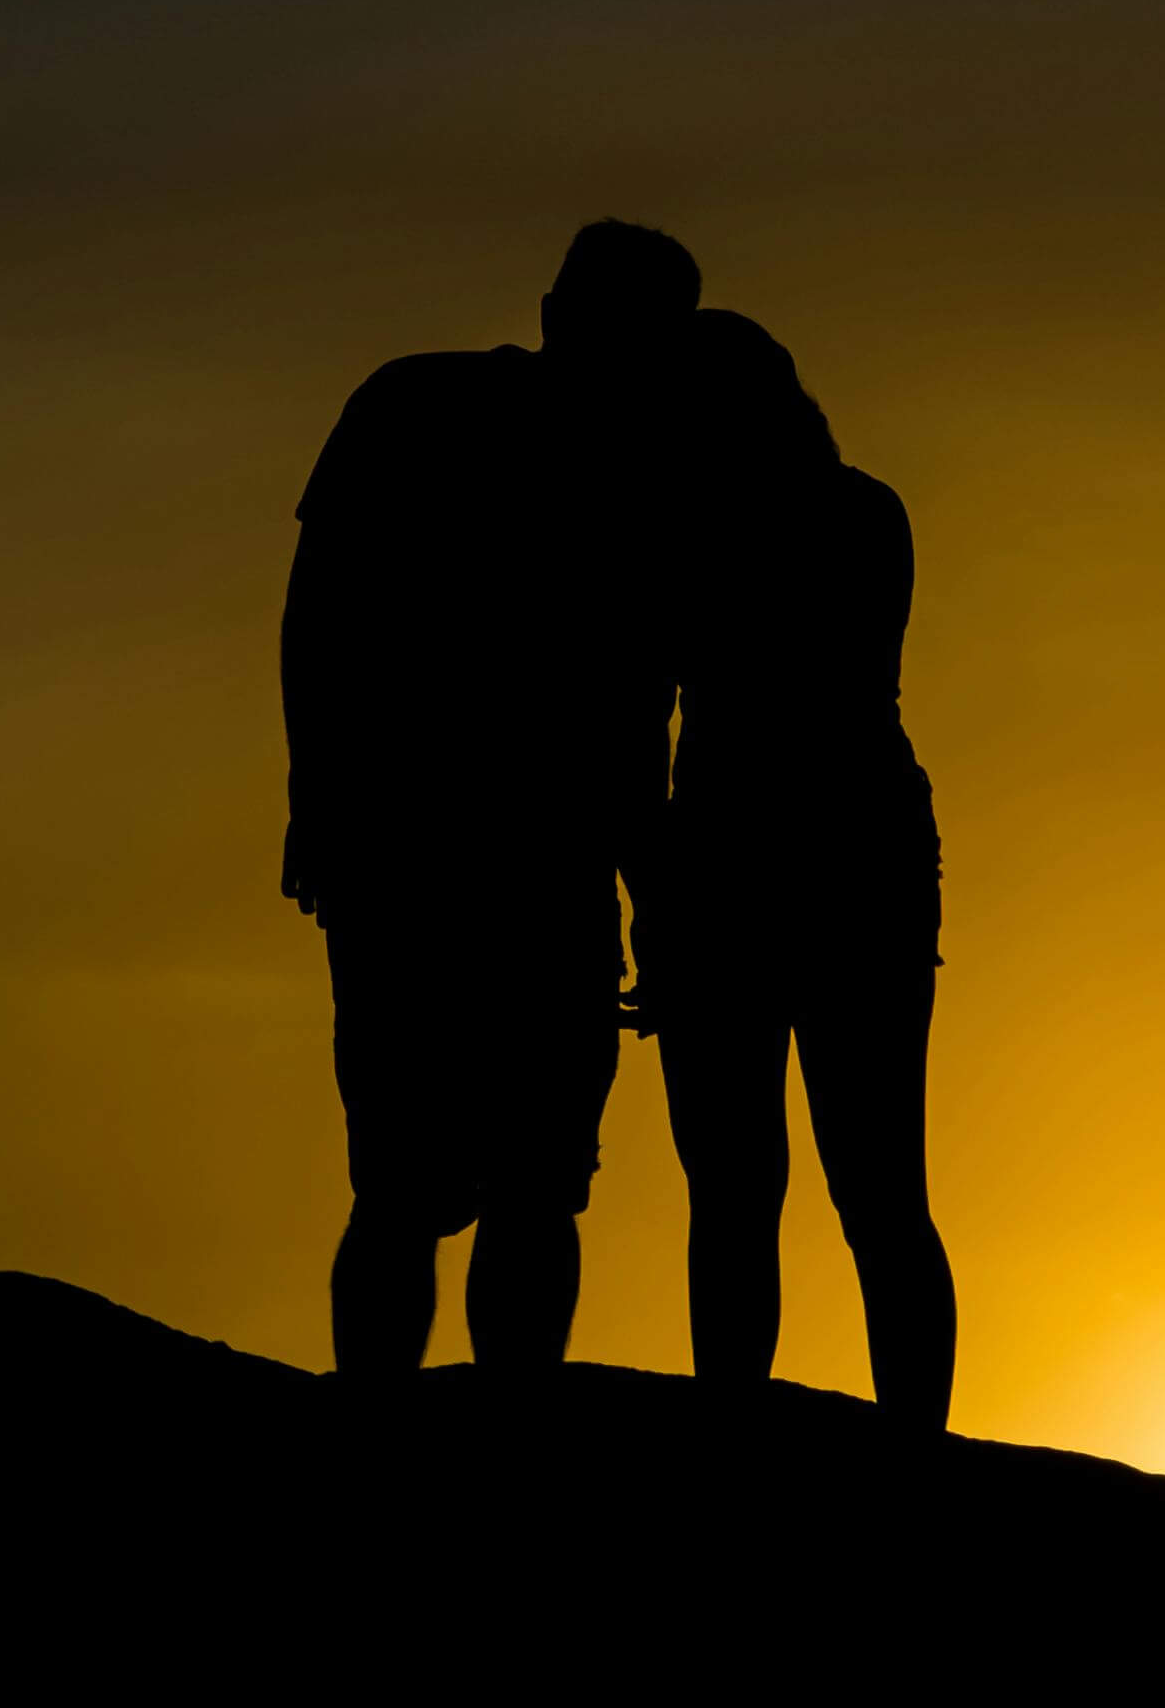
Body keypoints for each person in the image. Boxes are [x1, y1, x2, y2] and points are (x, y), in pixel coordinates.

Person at [279, 220, 698, 1372]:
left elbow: (320, 620)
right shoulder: (623, 477)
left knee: (459, 1188)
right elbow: (322, 617)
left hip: (450, 860)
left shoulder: (418, 405)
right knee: (479, 1189)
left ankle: (433, 1429)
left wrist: (319, 798)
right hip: (459, 861)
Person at [639, 306, 958, 1430]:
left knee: (751, 1194)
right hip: (847, 853)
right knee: (866, 1194)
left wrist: (655, 898)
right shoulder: (867, 511)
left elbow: (655, 699)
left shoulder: (693, 533)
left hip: (755, 860)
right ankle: (898, 1447)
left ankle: (747, 1435)